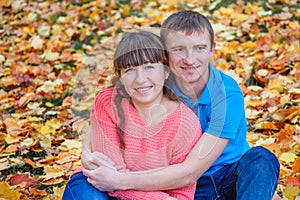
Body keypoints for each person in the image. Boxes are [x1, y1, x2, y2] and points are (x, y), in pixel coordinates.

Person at [81, 10, 280, 200]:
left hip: (226, 178)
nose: (189, 59)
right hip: (171, 186)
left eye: (199, 48)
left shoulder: (226, 95)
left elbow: (190, 172)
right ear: (165, 55)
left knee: (261, 159)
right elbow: (105, 113)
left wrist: (119, 180)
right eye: (178, 50)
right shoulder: (153, 83)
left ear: (212, 48)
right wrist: (87, 153)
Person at [62, 30, 202, 199]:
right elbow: (105, 176)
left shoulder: (186, 123)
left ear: (166, 71)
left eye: (149, 67)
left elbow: (179, 192)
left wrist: (118, 181)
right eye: (129, 70)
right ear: (120, 76)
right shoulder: (108, 102)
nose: (140, 79)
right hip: (97, 189)